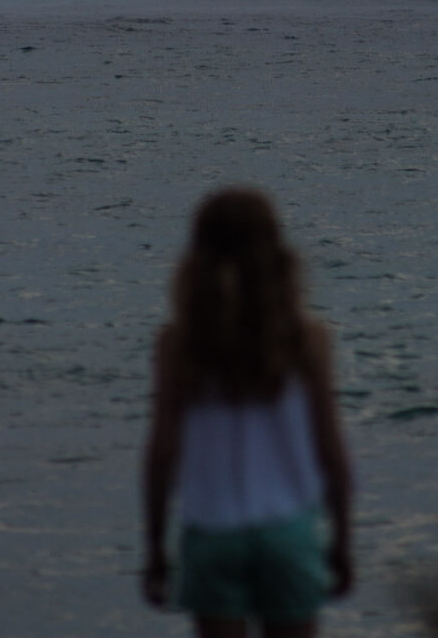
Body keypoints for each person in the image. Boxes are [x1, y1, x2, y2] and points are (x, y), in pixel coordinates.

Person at [142, 186, 354, 636]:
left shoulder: (178, 343)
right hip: (288, 529)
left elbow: (162, 453)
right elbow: (331, 451)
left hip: (212, 529)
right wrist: (343, 541)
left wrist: (156, 547)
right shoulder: (306, 339)